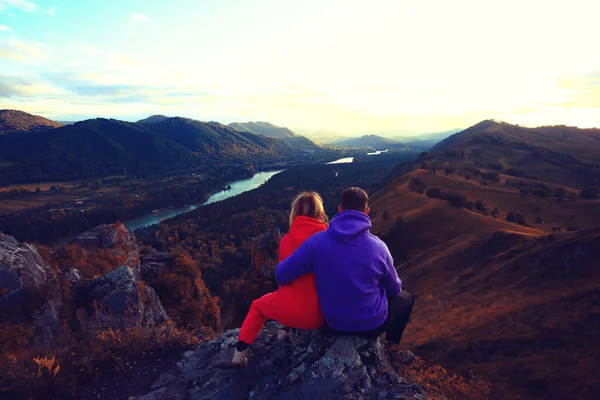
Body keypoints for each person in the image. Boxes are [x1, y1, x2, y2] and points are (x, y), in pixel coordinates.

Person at [275, 187, 414, 344]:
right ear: (367, 211)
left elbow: (281, 274)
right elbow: (394, 289)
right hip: (371, 326)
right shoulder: (379, 247)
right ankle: (391, 346)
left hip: (332, 324)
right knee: (406, 298)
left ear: (339, 209)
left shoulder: (316, 242)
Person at [232, 191, 328, 366]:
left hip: (290, 312)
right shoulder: (328, 240)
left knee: (257, 306)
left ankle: (239, 354)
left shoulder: (286, 241)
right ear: (320, 213)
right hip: (323, 315)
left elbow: (285, 279)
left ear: (295, 213)